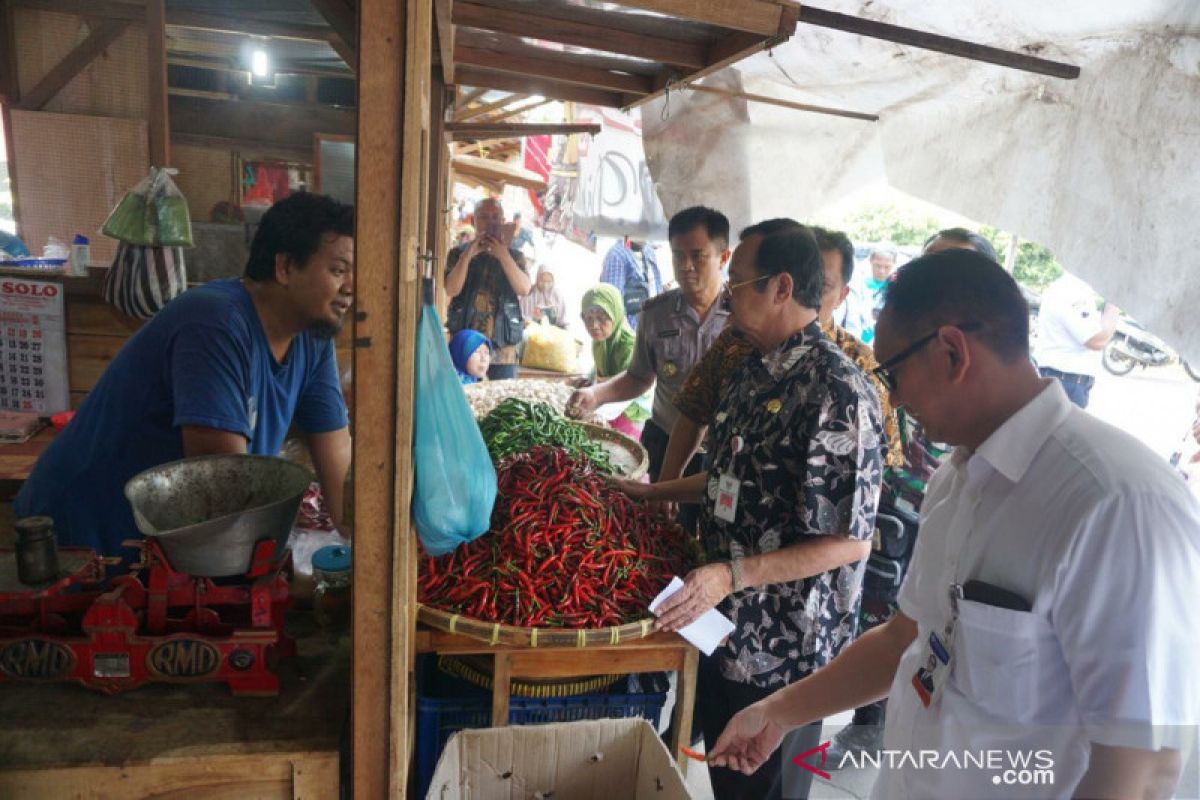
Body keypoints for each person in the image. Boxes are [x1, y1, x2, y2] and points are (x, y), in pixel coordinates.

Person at [709, 249, 1200, 800]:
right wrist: (777, 712)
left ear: (951, 351)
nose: (892, 397)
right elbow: (906, 637)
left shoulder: (1116, 505)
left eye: (893, 373)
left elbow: (1141, 766)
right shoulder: (956, 476)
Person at [620, 225, 885, 799]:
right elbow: (727, 481)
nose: (726, 296)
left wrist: (731, 575)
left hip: (787, 656)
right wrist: (649, 494)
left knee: (772, 788)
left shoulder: (838, 392)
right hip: (725, 632)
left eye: (737, 284)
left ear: (782, 288)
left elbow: (849, 542)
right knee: (728, 780)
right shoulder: (749, 370)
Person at [15, 192, 353, 563]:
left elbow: (337, 453)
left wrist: (360, 539)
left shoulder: (312, 337)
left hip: (168, 539)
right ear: (285, 267)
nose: (351, 286)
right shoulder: (216, 323)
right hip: (81, 529)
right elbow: (223, 488)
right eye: (338, 270)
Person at [570, 207, 731, 482]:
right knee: (658, 521)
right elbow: (639, 376)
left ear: (723, 258)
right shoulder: (656, 313)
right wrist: (596, 395)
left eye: (697, 256)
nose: (685, 266)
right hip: (665, 442)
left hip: (722, 451)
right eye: (678, 255)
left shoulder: (743, 316)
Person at [445, 197, 532, 381]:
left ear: (502, 221)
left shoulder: (516, 256)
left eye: (495, 217)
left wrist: (503, 255)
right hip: (466, 348)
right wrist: (468, 255)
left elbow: (524, 289)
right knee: (465, 401)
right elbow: (451, 289)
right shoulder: (458, 253)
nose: (490, 222)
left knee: (501, 402)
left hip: (503, 351)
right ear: (473, 221)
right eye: (484, 216)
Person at [1034, 271, 1119, 408]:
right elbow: (1096, 340)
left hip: (1066, 382)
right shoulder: (1071, 291)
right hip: (1065, 384)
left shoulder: (1077, 290)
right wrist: (1115, 302)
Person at [579, 284, 645, 436]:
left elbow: (630, 386)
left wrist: (602, 413)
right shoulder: (601, 340)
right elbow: (600, 365)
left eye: (602, 318)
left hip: (629, 411)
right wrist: (587, 378)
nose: (594, 326)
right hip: (606, 405)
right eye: (589, 318)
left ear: (616, 314)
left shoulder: (630, 346)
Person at [599, 236, 663, 330]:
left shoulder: (648, 250)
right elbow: (613, 304)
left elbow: (655, 285)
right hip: (632, 331)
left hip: (654, 327)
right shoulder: (617, 255)